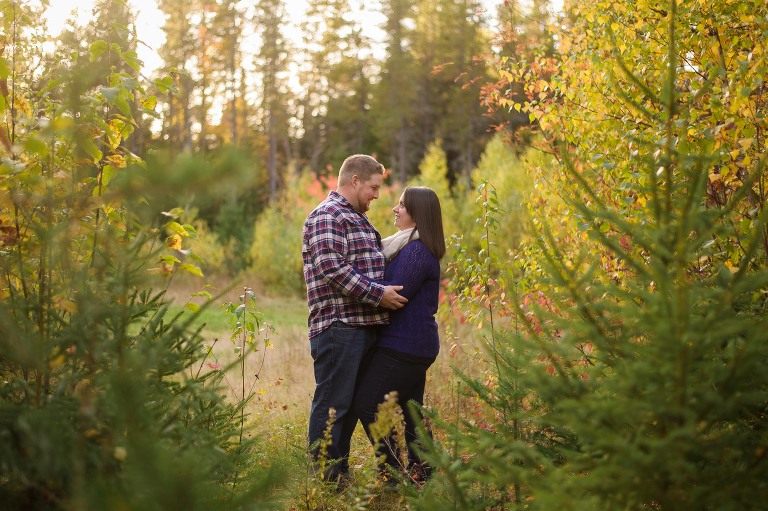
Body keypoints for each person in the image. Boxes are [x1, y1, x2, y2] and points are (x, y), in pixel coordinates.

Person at [302, 154, 408, 483]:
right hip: (338, 327)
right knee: (334, 403)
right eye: (374, 187)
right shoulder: (327, 215)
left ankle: (341, 472)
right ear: (355, 181)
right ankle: (325, 476)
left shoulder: (359, 220)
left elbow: (375, 260)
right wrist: (379, 295)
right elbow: (332, 268)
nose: (377, 195)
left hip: (363, 327)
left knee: (353, 404)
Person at [354, 186, 446, 484]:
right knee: (411, 411)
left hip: (406, 345)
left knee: (368, 404)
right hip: (411, 343)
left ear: (417, 215)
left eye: (402, 205)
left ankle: (392, 473)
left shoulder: (417, 252)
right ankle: (424, 472)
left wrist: (354, 282)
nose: (395, 209)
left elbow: (392, 293)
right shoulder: (409, 246)